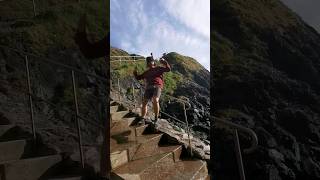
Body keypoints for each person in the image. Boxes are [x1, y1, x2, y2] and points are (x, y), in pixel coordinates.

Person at [133, 54, 171, 125]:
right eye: (148, 62)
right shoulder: (146, 72)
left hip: (157, 86)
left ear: (153, 62)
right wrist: (135, 73)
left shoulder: (159, 68)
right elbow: (139, 77)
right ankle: (142, 118)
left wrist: (164, 62)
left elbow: (168, 69)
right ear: (147, 64)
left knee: (155, 99)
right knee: (144, 103)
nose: (150, 63)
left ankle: (156, 118)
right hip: (148, 88)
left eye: (151, 61)